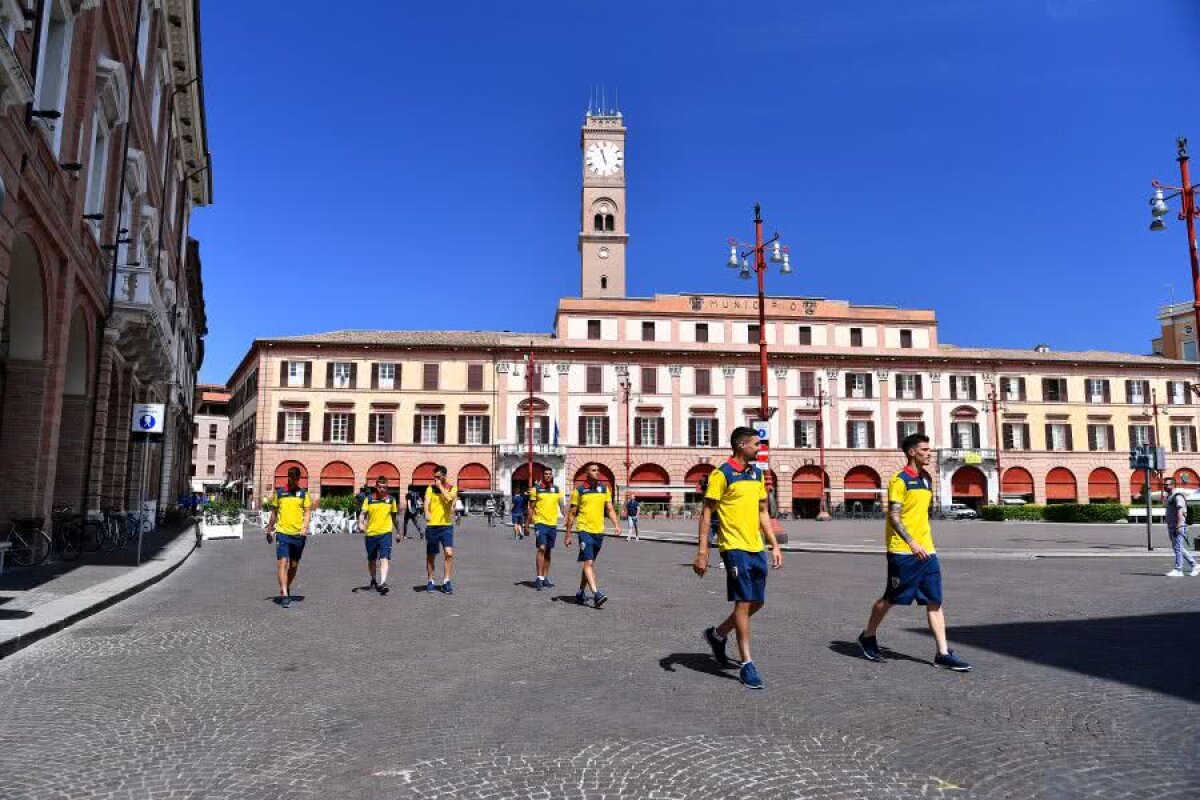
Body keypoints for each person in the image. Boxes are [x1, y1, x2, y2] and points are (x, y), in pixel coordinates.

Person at [856, 433, 971, 671]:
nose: (929, 453)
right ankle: (868, 635)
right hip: (903, 551)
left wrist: (924, 543)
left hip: (927, 550)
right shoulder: (900, 481)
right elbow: (894, 517)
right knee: (891, 599)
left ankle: (942, 652)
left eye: (929, 450)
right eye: (925, 450)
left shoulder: (926, 479)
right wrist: (912, 543)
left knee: (935, 601)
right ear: (912, 452)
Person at [694, 427, 783, 690]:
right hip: (733, 547)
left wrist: (774, 545)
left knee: (758, 602)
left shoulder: (757, 474)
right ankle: (747, 664)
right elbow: (707, 514)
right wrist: (702, 552)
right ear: (742, 445)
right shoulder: (722, 474)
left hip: (756, 546)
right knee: (744, 602)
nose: (760, 448)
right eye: (756, 444)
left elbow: (763, 513)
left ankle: (718, 634)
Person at [564, 463, 621, 607]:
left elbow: (609, 509)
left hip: (599, 532)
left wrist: (616, 525)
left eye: (598, 470)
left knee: (589, 563)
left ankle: (580, 592)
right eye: (594, 470)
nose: (597, 473)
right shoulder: (579, 491)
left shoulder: (604, 489)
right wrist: (568, 534)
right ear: (586, 473)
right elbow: (572, 514)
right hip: (584, 530)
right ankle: (597, 594)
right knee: (588, 562)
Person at [265, 467, 312, 609]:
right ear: (288, 477)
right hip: (282, 533)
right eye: (291, 477)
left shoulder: (303, 494)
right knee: (282, 563)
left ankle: (286, 586)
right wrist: (269, 529)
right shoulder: (280, 493)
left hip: (298, 535)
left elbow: (308, 512)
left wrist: (304, 527)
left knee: (293, 565)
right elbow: (274, 513)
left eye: (296, 478)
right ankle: (285, 594)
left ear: (299, 478)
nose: (293, 480)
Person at [358, 476, 398, 594]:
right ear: (376, 487)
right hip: (371, 533)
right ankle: (374, 579)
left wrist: (399, 533)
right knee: (372, 559)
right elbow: (362, 513)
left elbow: (395, 518)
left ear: (387, 487)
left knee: (384, 557)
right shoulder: (369, 499)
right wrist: (360, 523)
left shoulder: (391, 500)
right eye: (379, 487)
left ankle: (383, 582)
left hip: (385, 533)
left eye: (384, 487)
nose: (382, 489)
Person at [528, 467, 566, 590]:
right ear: (542, 475)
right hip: (540, 523)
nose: (548, 476)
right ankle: (539, 577)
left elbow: (562, 505)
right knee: (542, 548)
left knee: (548, 551)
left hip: (552, 524)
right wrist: (527, 524)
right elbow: (531, 507)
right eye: (546, 474)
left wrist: (567, 518)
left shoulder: (556, 489)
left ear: (552, 476)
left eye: (550, 474)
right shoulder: (536, 489)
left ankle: (545, 577)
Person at [424, 466, 458, 594]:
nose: (436, 479)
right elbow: (427, 503)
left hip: (446, 525)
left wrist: (440, 487)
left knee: (449, 553)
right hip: (432, 526)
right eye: (434, 477)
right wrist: (427, 512)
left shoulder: (453, 488)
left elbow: (449, 498)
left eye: (438, 477)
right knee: (431, 555)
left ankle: (446, 581)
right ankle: (430, 580)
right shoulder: (429, 489)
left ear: (444, 476)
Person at [1163, 477, 1199, 576]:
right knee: (1178, 547)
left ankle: (1178, 569)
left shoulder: (1178, 496)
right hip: (1171, 525)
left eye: (1166, 485)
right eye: (1164, 485)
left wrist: (1179, 525)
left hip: (1177, 525)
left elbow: (1180, 510)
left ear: (1172, 485)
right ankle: (1195, 565)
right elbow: (1166, 506)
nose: (1164, 486)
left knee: (1178, 548)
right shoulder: (1169, 496)